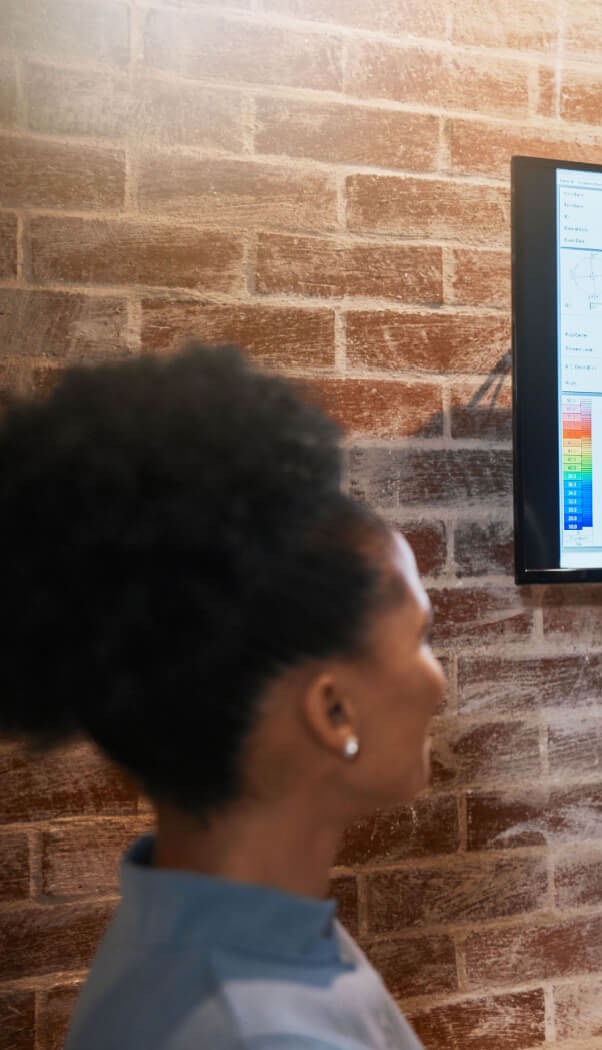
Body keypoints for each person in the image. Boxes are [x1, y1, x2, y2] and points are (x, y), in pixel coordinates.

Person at [0, 346, 443, 1048]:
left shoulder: (192, 931)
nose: (438, 683)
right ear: (333, 712)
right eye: (421, 636)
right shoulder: (262, 1032)